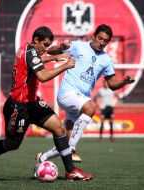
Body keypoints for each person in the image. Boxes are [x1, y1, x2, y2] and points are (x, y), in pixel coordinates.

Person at [0, 26, 92, 181]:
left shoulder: (27, 49)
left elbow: (35, 60)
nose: (46, 48)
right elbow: (41, 75)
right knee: (12, 144)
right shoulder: (31, 52)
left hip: (32, 103)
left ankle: (71, 171)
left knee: (58, 127)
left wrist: (52, 57)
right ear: (36, 40)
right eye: (45, 45)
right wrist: (64, 66)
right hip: (18, 107)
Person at [35, 24, 135, 164]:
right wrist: (62, 47)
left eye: (105, 41)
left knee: (66, 142)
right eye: (100, 38)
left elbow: (112, 84)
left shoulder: (106, 60)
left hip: (80, 99)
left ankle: (43, 157)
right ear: (94, 36)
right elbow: (50, 52)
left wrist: (124, 82)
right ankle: (72, 149)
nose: (102, 42)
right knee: (90, 109)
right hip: (67, 93)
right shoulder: (78, 46)